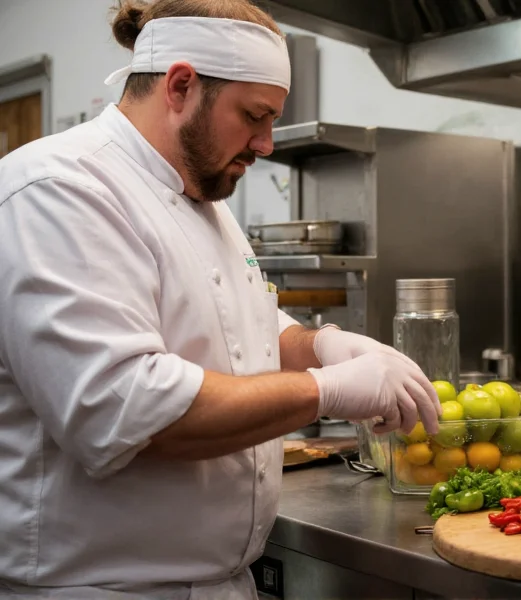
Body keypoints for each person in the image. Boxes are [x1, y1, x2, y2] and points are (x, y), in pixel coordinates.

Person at [0, 1, 441, 598]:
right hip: (99, 589)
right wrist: (324, 390)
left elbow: (248, 324)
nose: (265, 143)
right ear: (181, 85)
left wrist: (322, 345)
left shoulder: (202, 201)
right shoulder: (59, 189)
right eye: (254, 116)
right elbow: (119, 408)